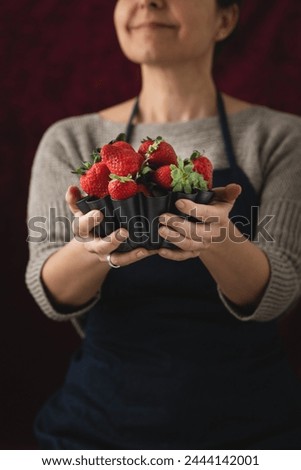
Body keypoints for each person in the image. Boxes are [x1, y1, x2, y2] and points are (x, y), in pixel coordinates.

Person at [25, 0, 301, 450]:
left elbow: (281, 293)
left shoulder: (281, 137)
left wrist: (219, 242)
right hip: (96, 427)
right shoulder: (70, 139)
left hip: (252, 427)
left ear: (225, 19)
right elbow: (51, 294)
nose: (146, 2)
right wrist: (91, 249)